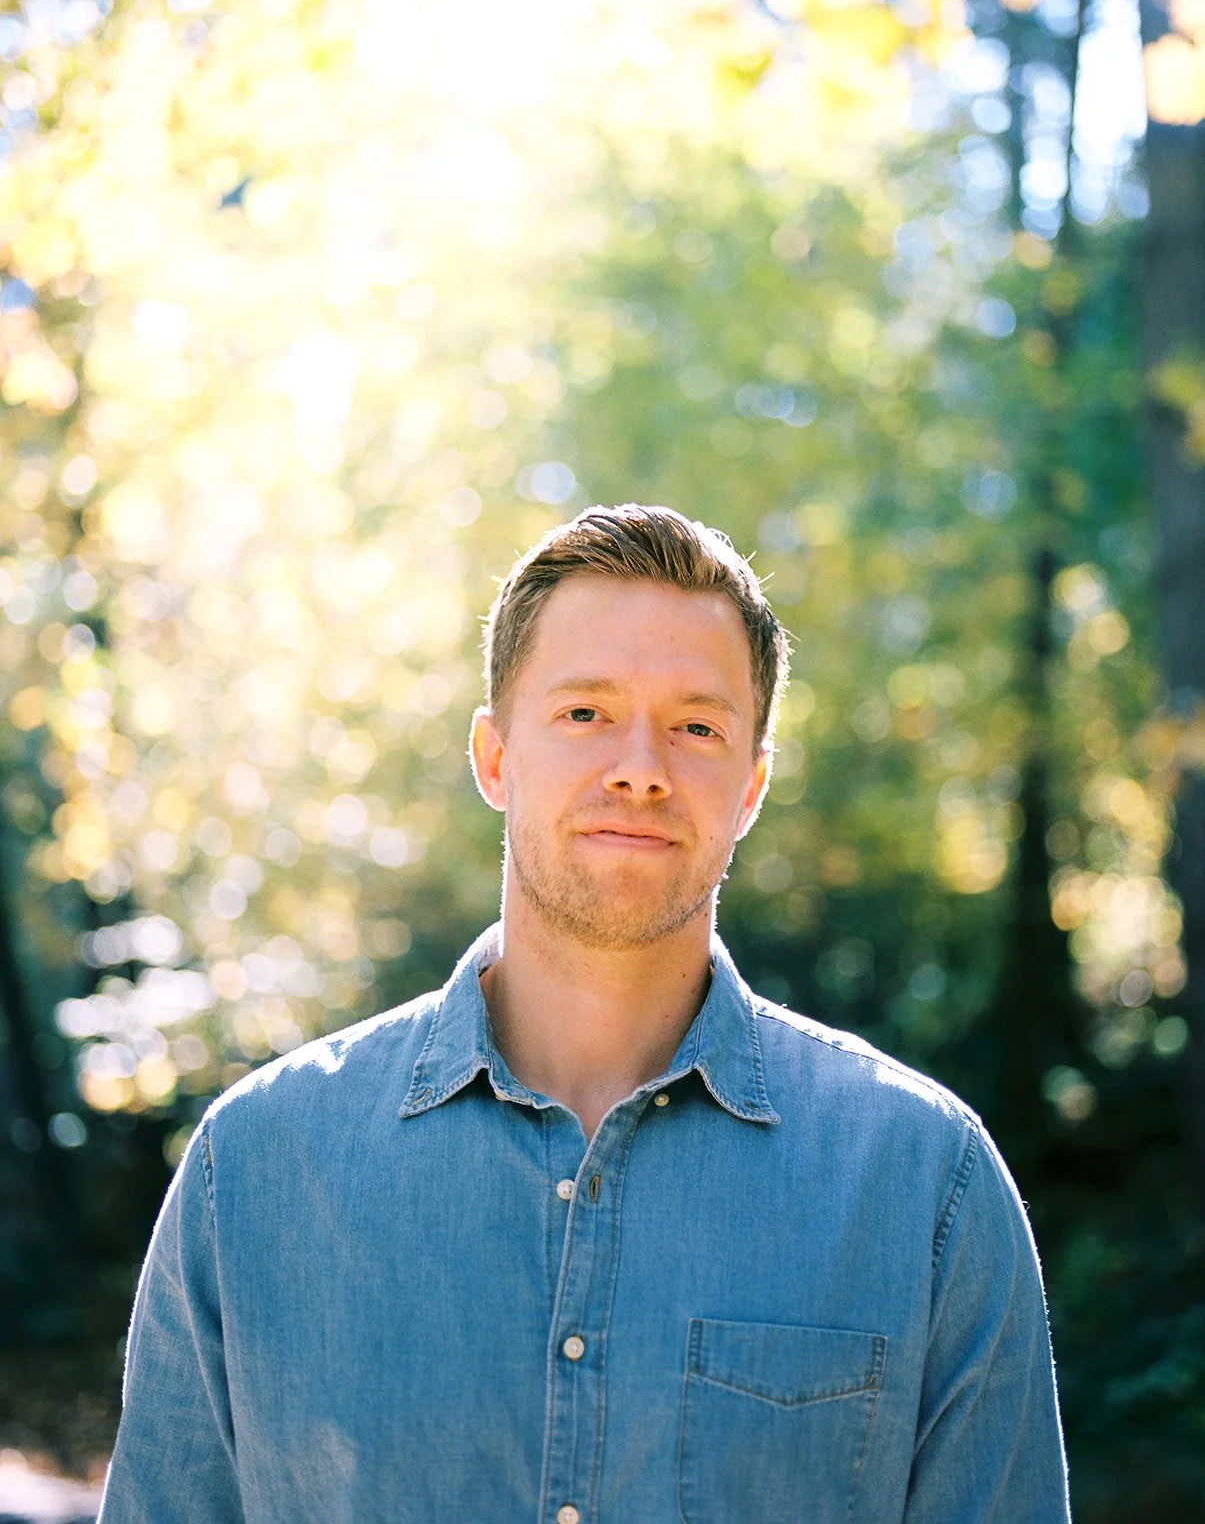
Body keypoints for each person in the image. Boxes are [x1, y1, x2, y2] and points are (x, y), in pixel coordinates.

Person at [99, 503, 1071, 1524]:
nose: (640, 767)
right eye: (584, 713)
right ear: (493, 757)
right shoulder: (253, 1170)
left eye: (696, 726)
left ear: (749, 785)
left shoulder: (923, 1185)